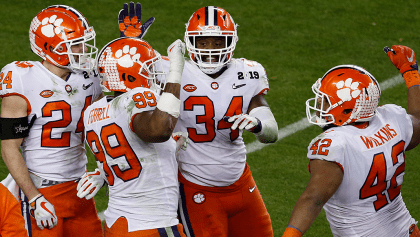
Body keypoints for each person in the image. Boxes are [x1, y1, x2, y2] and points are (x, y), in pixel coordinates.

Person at [117, 5, 279, 237]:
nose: (210, 49)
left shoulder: (248, 72)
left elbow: (271, 132)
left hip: (242, 183)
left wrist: (258, 125)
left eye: (217, 42)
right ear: (190, 41)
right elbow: (122, 69)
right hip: (196, 187)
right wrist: (130, 43)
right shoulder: (168, 69)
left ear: (231, 42)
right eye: (202, 42)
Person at [281, 46, 420, 237]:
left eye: (326, 101)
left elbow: (313, 199)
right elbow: (417, 121)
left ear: (346, 109)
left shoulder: (336, 143)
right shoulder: (391, 119)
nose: (319, 105)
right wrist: (410, 72)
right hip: (407, 230)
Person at [0, 5, 103, 237]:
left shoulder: (90, 77)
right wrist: (34, 197)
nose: (83, 49)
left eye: (83, 42)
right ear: (49, 48)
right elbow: (9, 147)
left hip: (80, 189)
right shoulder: (22, 79)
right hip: (41, 189)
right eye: (75, 44)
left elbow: (112, 119)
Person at [76, 37, 188, 237]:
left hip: (117, 224)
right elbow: (160, 131)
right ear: (128, 75)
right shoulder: (134, 99)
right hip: (151, 224)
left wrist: (172, 146)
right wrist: (176, 72)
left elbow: (131, 148)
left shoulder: (93, 111)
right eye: (148, 69)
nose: (153, 74)